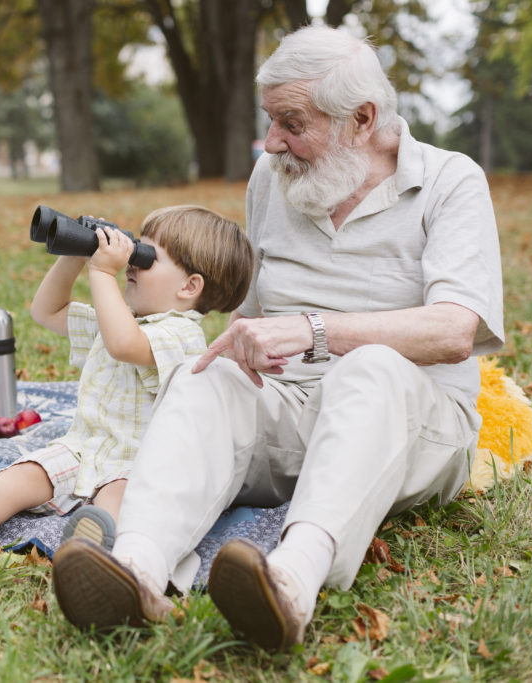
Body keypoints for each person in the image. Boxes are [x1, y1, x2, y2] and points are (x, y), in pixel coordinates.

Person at [50, 25, 505, 651]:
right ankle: (136, 571)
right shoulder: (273, 176)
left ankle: (289, 584)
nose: (272, 143)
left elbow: (457, 331)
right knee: (205, 376)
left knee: (369, 367)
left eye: (292, 124)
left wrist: (318, 332)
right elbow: (253, 319)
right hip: (292, 412)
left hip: (411, 423)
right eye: (271, 122)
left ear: (362, 119)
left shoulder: (450, 181)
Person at [0, 205, 254, 558]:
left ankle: (91, 546)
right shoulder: (124, 317)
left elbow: (124, 344)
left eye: (146, 256)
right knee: (21, 479)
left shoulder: (182, 335)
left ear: (189, 286)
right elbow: (47, 311)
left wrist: (102, 273)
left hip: (140, 462)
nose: (131, 260)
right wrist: (76, 256)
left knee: (123, 501)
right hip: (81, 451)